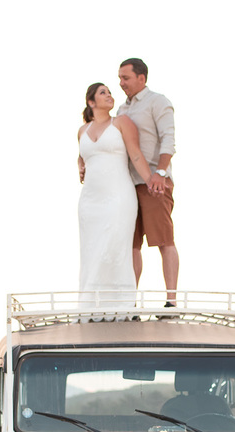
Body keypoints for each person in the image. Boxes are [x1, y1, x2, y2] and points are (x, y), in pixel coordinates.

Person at [77, 82, 157, 319]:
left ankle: (120, 306)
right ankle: (90, 307)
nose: (110, 95)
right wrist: (80, 166)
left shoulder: (121, 122)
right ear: (91, 102)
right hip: (90, 201)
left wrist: (151, 181)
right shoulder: (81, 131)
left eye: (110, 92)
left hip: (118, 197)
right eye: (103, 93)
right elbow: (83, 156)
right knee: (91, 250)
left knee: (114, 245)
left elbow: (136, 154)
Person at [117, 57, 179, 306]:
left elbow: (168, 139)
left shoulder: (158, 101)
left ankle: (171, 301)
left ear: (141, 78)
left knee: (164, 239)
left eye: (126, 78)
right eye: (120, 78)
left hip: (154, 183)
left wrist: (160, 173)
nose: (121, 83)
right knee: (132, 245)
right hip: (127, 185)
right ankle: (130, 302)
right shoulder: (121, 110)